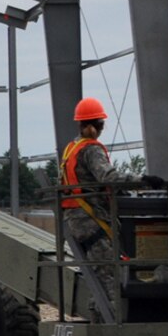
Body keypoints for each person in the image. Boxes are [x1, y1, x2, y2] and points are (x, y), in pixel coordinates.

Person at [60, 97, 121, 310]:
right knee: (108, 275)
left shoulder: (71, 148)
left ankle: (99, 317)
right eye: (102, 124)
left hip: (77, 219)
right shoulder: (91, 149)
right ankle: (111, 322)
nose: (103, 128)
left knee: (96, 274)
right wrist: (141, 181)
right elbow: (108, 177)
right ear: (94, 125)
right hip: (91, 220)